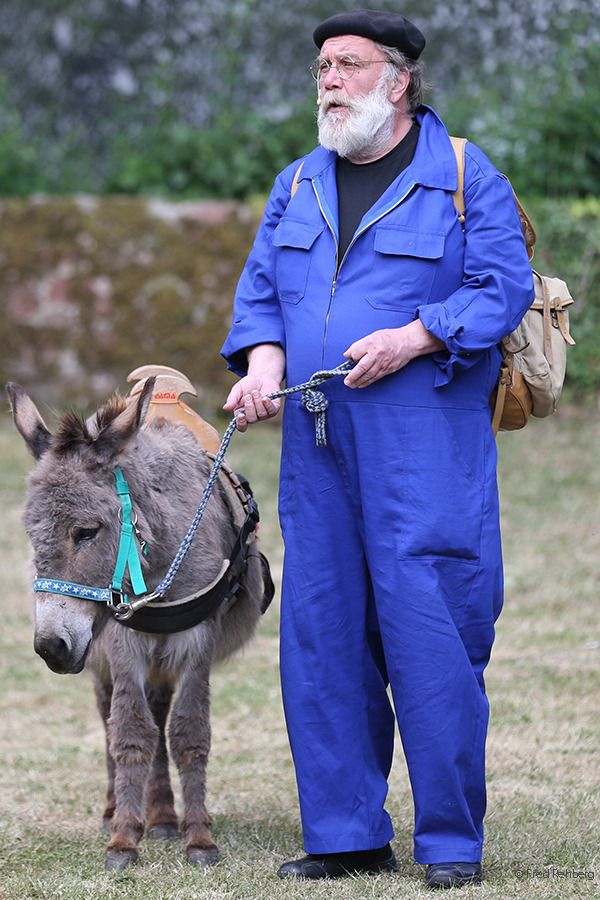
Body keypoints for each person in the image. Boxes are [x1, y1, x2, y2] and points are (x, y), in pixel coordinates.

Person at [221, 8, 534, 890]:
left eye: (348, 64)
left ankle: (448, 844)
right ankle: (346, 835)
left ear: (397, 81)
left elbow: (500, 290)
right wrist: (264, 366)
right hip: (317, 444)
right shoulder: (297, 182)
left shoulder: (464, 177)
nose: (327, 79)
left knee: (431, 630)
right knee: (321, 635)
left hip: (422, 440)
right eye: (322, 64)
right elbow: (262, 299)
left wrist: (417, 336)